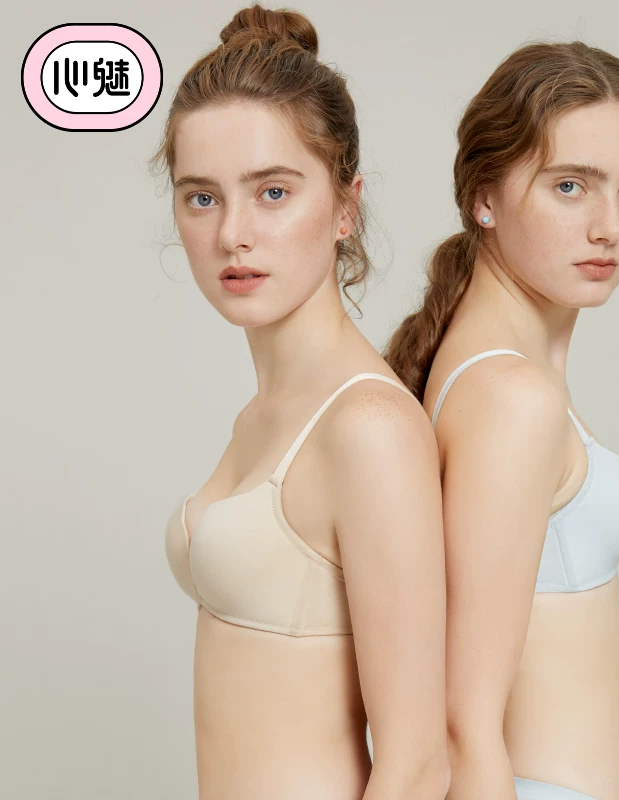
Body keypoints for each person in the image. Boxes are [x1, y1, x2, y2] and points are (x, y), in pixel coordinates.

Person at [154, 6, 449, 799]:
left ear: (347, 207)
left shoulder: (368, 427)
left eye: (273, 192)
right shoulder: (263, 415)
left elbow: (420, 764)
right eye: (201, 198)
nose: (233, 235)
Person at [385, 41, 619, 800]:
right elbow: (462, 726)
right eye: (571, 186)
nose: (610, 226)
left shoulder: (495, 369)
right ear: (485, 195)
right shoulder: (511, 396)